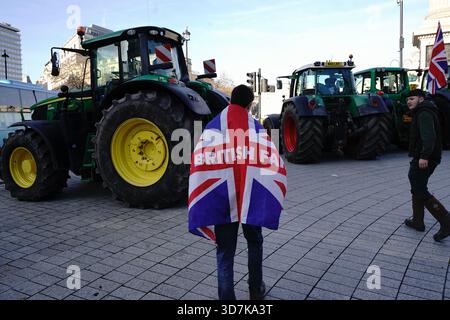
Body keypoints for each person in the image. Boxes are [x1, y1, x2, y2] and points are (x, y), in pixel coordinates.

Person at [188, 85, 287, 300]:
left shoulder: (213, 128)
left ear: (230, 100)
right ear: (250, 104)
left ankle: (227, 300)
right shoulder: (256, 129)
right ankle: (255, 290)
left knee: (225, 253)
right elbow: (272, 161)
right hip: (251, 198)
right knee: (255, 242)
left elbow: (199, 163)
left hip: (222, 199)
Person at [404, 89, 450, 242]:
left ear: (421, 99)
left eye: (412, 98)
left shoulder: (424, 113)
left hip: (426, 157)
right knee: (417, 185)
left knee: (419, 188)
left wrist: (424, 156)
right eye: (407, 99)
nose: (409, 101)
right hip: (423, 156)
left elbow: (429, 136)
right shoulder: (422, 111)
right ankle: (418, 221)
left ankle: (446, 221)